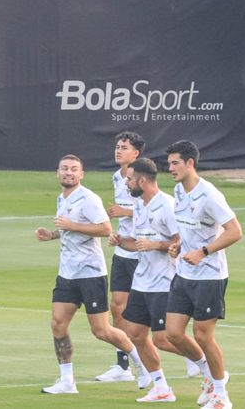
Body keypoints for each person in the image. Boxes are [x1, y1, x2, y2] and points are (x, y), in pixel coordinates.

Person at [36, 155, 150, 394]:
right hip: (67, 273)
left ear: (81, 175)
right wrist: (52, 235)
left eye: (74, 169)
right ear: (58, 173)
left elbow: (105, 228)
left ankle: (141, 363)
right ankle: (67, 381)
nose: (69, 173)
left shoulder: (88, 198)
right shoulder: (62, 197)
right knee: (58, 324)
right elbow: (68, 229)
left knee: (102, 331)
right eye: (64, 169)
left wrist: (71, 226)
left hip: (90, 272)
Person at [109, 158, 198, 403]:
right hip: (141, 280)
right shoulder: (139, 205)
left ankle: (205, 362)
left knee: (162, 339)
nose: (126, 183)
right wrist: (120, 241)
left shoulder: (168, 206)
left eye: (129, 179)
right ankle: (161, 388)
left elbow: (181, 241)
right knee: (136, 334)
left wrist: (157, 245)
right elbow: (136, 243)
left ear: (143, 180)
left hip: (164, 281)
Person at [164, 141, 243, 409]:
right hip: (184, 274)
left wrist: (203, 251)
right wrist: (178, 246)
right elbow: (186, 229)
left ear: (190, 163)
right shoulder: (178, 190)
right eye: (169, 163)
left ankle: (221, 395)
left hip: (210, 276)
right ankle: (208, 374)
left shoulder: (209, 195)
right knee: (172, 333)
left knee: (202, 336)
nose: (170, 168)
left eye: (175, 163)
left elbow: (235, 231)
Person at [98, 131, 145, 383]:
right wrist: (116, 234)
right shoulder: (117, 176)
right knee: (117, 307)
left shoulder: (143, 177)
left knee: (149, 313)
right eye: (117, 146)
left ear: (136, 153)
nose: (118, 150)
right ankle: (123, 365)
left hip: (142, 252)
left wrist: (125, 211)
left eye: (124, 147)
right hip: (122, 250)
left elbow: (152, 209)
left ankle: (192, 356)